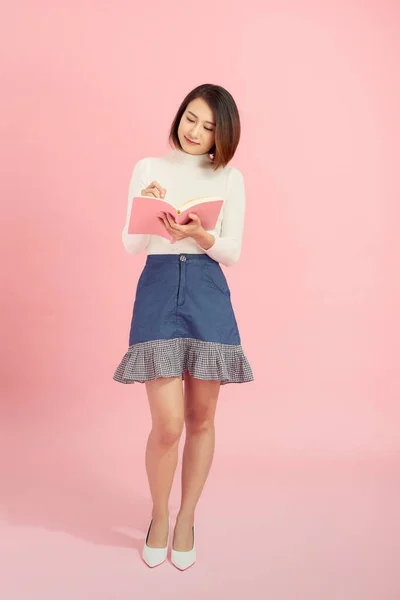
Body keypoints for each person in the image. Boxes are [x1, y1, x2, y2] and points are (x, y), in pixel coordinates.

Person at [113, 83, 254, 570]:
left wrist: (201, 233)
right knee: (168, 426)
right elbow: (132, 246)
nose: (195, 131)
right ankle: (159, 514)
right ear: (179, 116)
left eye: (209, 126)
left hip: (206, 293)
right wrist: (149, 212)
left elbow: (231, 252)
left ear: (223, 135)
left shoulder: (229, 177)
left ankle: (187, 517)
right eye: (190, 118)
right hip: (156, 292)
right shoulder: (148, 169)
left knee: (201, 419)